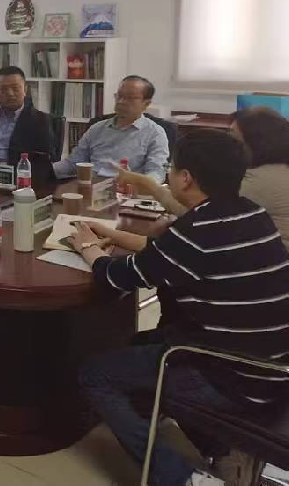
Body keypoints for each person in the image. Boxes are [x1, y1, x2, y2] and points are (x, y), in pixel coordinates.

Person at [68, 129, 289, 486]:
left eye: (171, 168)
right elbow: (165, 253)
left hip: (234, 376)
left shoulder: (197, 230)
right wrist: (110, 234)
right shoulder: (250, 213)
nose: (168, 174)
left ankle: (180, 477)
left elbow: (118, 278)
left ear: (185, 179)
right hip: (271, 365)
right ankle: (220, 450)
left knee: (96, 374)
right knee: (137, 345)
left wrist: (87, 248)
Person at [115, 107, 289, 247]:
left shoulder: (259, 181)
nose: (227, 142)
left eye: (233, 136)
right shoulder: (276, 169)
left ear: (257, 142)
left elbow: (201, 215)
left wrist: (147, 184)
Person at [53, 75, 169, 182]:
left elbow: (156, 172)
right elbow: (72, 163)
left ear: (146, 104)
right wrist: (46, 170)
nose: (121, 102)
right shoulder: (97, 128)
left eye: (130, 98)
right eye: (119, 96)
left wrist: (140, 183)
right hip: (92, 187)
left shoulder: (155, 133)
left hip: (126, 190)